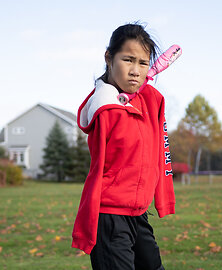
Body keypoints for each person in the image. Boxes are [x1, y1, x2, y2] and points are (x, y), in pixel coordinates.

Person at [71, 23, 176, 270]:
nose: (136, 71)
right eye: (128, 60)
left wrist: (163, 198)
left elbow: (161, 150)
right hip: (110, 217)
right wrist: (118, 102)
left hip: (139, 213)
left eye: (143, 63)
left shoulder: (151, 101)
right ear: (109, 58)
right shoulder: (104, 106)